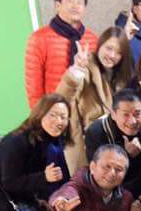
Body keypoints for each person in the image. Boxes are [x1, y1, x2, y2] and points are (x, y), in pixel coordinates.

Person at [55, 27, 133, 175]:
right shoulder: (87, 67)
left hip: (113, 147)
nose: (112, 55)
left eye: (118, 52)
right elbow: (62, 98)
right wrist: (77, 70)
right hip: (86, 146)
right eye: (109, 48)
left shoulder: (122, 76)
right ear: (100, 45)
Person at [25, 0, 99, 108]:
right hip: (55, 108)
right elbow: (33, 85)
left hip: (85, 109)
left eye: (80, 2)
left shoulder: (92, 39)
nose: (75, 6)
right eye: (70, 1)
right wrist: (39, 114)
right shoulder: (39, 38)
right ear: (58, 5)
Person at [85, 89, 141, 198]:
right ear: (113, 114)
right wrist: (126, 155)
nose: (132, 121)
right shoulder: (97, 132)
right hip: (111, 192)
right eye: (126, 115)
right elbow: (99, 176)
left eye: (137, 114)